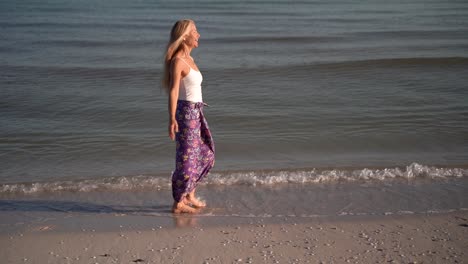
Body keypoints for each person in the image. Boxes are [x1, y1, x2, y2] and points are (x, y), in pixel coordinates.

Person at [162, 19, 215, 214]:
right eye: (195, 31)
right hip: (186, 113)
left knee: (206, 153)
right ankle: (179, 202)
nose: (198, 35)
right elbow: (174, 90)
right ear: (184, 36)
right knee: (186, 158)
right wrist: (171, 118)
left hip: (196, 111)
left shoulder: (190, 60)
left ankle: (189, 194)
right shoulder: (178, 61)